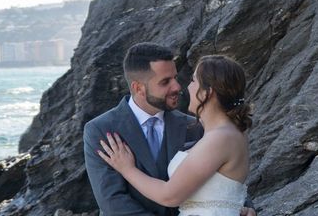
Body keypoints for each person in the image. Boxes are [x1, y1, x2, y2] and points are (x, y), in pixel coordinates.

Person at [83, 43, 254, 216]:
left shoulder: (195, 127)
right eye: (165, 82)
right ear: (138, 88)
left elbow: (222, 177)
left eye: (175, 77)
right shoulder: (101, 130)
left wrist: (241, 205)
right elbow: (113, 203)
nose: (177, 87)